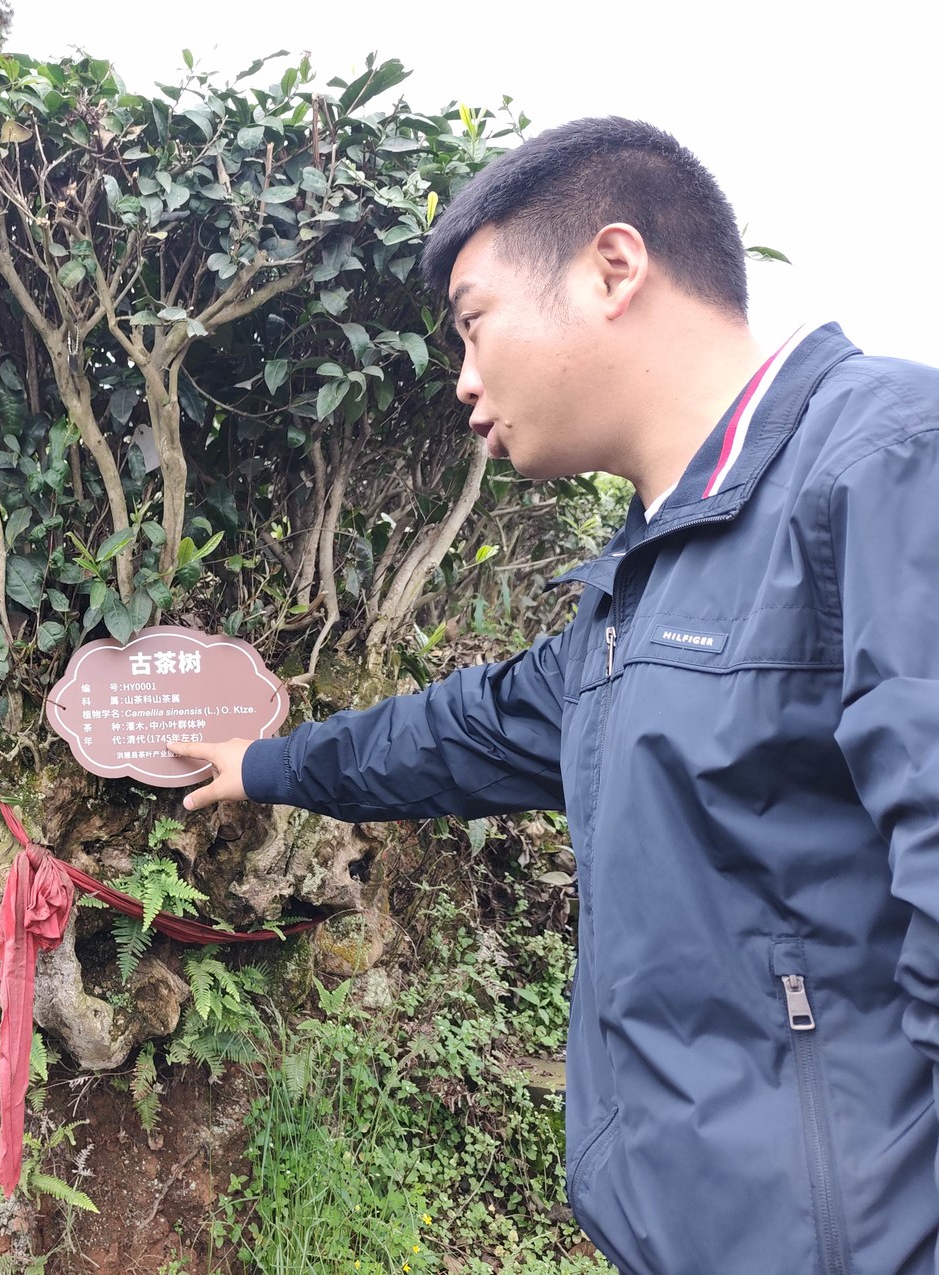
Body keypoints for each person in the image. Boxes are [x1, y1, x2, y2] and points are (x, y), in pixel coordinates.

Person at [171, 117, 939, 1274]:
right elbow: (464, 730)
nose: (463, 380)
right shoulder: (646, 578)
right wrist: (261, 764)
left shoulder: (885, 463)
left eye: (473, 320)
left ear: (611, 268)